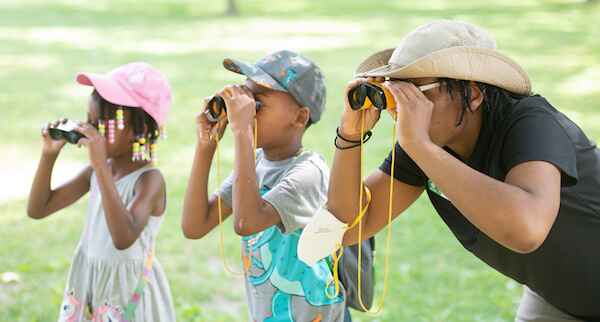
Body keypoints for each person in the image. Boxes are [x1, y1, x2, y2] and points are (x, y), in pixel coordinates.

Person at [327, 20, 600, 321]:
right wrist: (350, 136)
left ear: (472, 94)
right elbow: (346, 228)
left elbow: (527, 229)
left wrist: (420, 147)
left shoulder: (531, 124)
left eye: (416, 93)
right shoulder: (428, 144)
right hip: (559, 295)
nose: (400, 110)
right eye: (394, 93)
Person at [181, 50, 349, 321]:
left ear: (300, 117)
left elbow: (246, 222)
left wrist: (242, 132)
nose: (246, 111)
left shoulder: (309, 173)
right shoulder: (256, 165)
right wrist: (206, 146)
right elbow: (195, 225)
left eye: (256, 103)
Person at [27, 62, 176, 322]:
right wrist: (48, 155)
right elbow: (38, 209)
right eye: (90, 121)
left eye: (103, 123)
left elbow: (123, 237)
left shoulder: (150, 181)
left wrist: (99, 167)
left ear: (139, 129)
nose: (91, 130)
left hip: (126, 293)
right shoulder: (96, 172)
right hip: (90, 282)